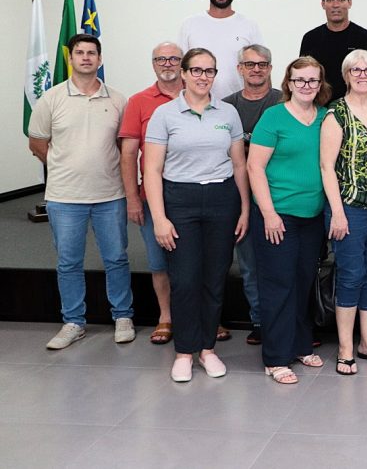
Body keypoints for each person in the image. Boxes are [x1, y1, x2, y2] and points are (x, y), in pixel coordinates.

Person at [143, 48, 250, 383]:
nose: (204, 77)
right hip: (180, 200)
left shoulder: (228, 112)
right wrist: (159, 218)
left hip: (222, 199)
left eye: (210, 71)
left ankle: (207, 349)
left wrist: (245, 208)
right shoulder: (165, 114)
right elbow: (152, 168)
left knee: (214, 278)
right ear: (184, 73)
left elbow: (239, 165)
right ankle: (185, 352)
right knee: (185, 279)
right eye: (197, 70)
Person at [29, 34, 134, 350]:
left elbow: (123, 146)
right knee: (69, 262)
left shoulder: (118, 100)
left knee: (116, 258)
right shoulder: (51, 98)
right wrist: (65, 165)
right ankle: (74, 322)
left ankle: (123, 317)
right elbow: (37, 143)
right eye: (79, 53)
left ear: (100, 60)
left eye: (92, 53)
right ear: (70, 59)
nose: (86, 57)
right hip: (64, 197)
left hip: (109, 194)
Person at [246, 56, 331, 384]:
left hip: (311, 216)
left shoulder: (325, 117)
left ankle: (299, 345)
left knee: (302, 283)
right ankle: (276, 357)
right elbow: (255, 168)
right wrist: (268, 213)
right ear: (289, 83)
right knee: (278, 285)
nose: (307, 86)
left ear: (320, 84)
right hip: (277, 216)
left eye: (313, 80)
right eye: (300, 80)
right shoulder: (274, 117)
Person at [320, 49, 367, 373]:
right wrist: (337, 213)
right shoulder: (335, 113)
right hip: (349, 209)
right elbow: (326, 166)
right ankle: (345, 348)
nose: (363, 74)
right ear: (347, 75)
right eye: (356, 70)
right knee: (351, 276)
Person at [118, 42, 182, 345]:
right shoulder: (139, 102)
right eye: (161, 59)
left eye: (173, 59)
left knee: (201, 261)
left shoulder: (200, 96)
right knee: (159, 262)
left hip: (192, 196)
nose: (167, 63)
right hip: (152, 196)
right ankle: (166, 317)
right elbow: (129, 154)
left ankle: (208, 316)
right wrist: (133, 198)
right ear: (153, 63)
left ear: (183, 63)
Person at [223, 44, 282, 345]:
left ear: (271, 68)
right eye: (250, 64)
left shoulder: (285, 102)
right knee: (250, 265)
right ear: (240, 69)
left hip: (282, 197)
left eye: (262, 64)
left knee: (283, 264)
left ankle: (286, 321)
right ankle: (259, 321)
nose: (256, 69)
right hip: (241, 198)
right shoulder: (226, 107)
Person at [178, 0, 263, 97]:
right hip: (197, 106)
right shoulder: (189, 24)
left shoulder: (249, 25)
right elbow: (181, 71)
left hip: (240, 107)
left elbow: (262, 71)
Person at [299, 0, 367, 101]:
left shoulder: (364, 38)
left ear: (349, 3)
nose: (335, 5)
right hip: (318, 108)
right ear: (323, 4)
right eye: (330, 0)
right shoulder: (310, 38)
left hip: (355, 108)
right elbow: (303, 76)